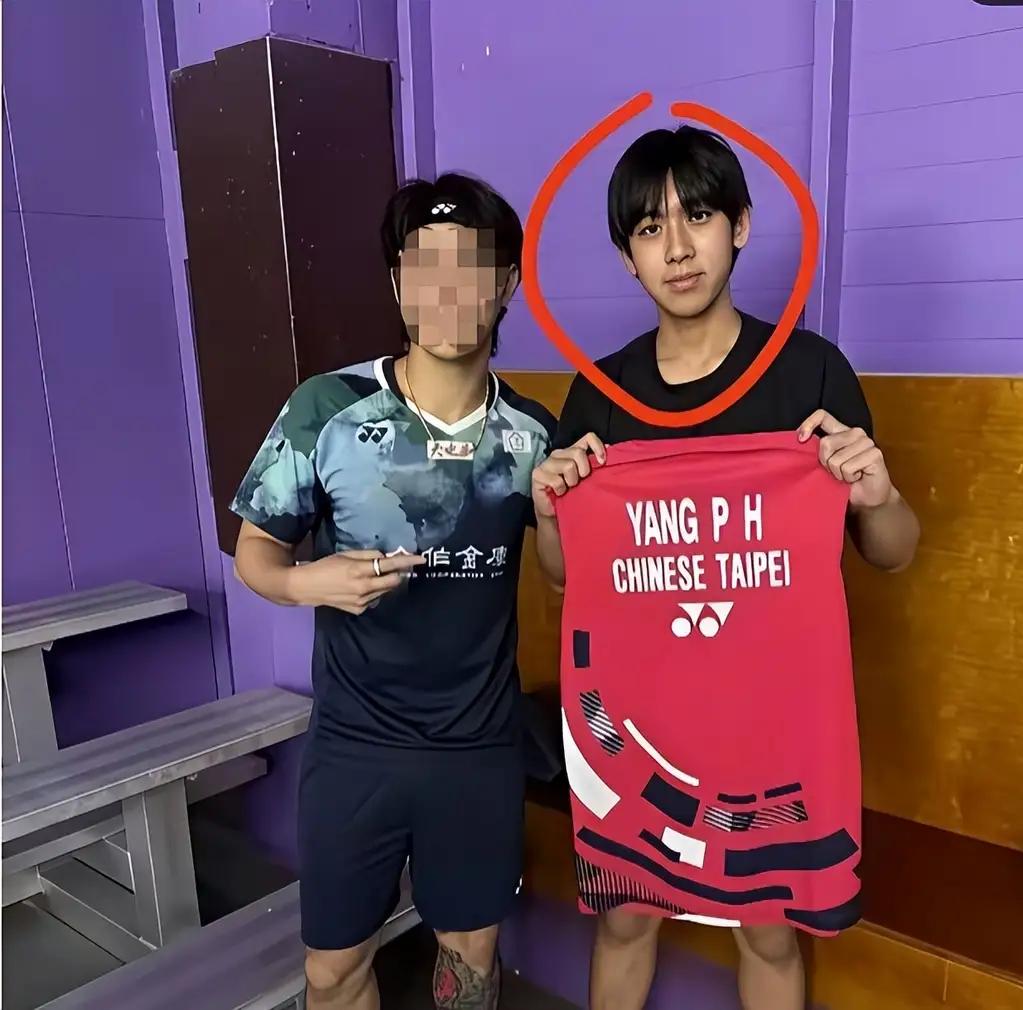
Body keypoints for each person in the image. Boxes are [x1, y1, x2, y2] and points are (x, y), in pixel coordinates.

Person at [531, 126, 920, 1010]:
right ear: (627, 256)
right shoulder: (600, 394)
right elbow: (562, 577)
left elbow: (893, 553)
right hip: (641, 721)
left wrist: (880, 494)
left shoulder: (809, 373)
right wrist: (551, 512)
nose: (676, 247)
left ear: (739, 225)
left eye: (698, 217)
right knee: (624, 917)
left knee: (768, 928)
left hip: (770, 725)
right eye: (649, 228)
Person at [232, 172, 556, 1010]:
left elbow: (561, 571)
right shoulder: (326, 409)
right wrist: (308, 581)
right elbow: (255, 553)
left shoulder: (532, 436)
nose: (447, 290)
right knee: (332, 971)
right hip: (356, 746)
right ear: (398, 282)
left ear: (506, 284)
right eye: (425, 266)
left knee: (469, 963)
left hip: (477, 749)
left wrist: (560, 509)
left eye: (471, 266)